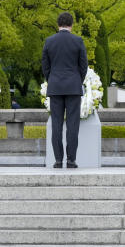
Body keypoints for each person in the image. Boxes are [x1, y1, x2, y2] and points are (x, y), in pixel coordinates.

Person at [42, 12, 88, 168]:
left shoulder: (49, 41)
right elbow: (83, 66)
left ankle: (57, 159)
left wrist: (52, 80)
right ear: (72, 24)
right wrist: (77, 80)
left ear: (58, 24)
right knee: (73, 124)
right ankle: (71, 159)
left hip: (55, 86)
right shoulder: (78, 41)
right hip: (73, 87)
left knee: (56, 124)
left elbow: (45, 66)